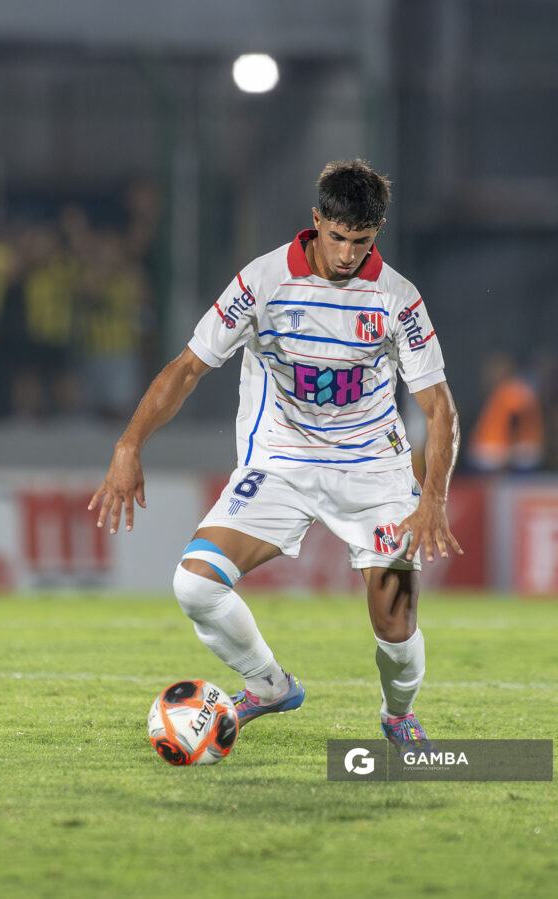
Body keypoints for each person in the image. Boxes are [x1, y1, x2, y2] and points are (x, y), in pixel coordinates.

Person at [89, 158, 463, 753]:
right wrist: (128, 444)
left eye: (361, 241)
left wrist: (431, 498)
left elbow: (440, 408)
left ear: (378, 233)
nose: (346, 254)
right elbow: (187, 369)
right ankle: (267, 685)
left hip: (374, 469)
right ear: (316, 222)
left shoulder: (397, 299)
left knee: (394, 617)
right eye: (337, 237)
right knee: (195, 585)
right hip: (280, 463)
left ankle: (399, 715)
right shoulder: (262, 282)